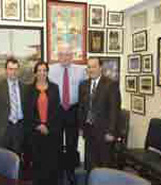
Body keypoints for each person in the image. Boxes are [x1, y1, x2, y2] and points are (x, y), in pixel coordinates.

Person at [48, 45, 86, 185]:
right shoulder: (50, 70)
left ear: (72, 56)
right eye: (62, 54)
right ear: (58, 56)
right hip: (56, 110)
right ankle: (58, 173)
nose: (65, 57)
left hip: (73, 110)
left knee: (72, 143)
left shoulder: (81, 71)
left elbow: (85, 94)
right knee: (56, 143)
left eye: (68, 54)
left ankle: (70, 172)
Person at [78, 57, 121, 172]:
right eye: (89, 67)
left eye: (94, 66)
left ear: (100, 68)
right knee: (90, 164)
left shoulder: (111, 84)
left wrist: (111, 132)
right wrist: (81, 127)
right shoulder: (83, 85)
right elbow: (82, 108)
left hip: (104, 133)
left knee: (104, 165)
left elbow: (114, 110)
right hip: (89, 131)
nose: (91, 69)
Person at [25, 61, 61, 185]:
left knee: (51, 164)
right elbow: (27, 112)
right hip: (35, 132)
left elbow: (57, 111)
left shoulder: (54, 88)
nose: (42, 73)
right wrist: (39, 125)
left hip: (51, 132)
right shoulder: (28, 89)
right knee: (37, 164)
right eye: (39, 70)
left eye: (44, 70)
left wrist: (47, 126)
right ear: (35, 73)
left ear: (47, 72)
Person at [0, 57, 25, 156]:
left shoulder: (25, 87)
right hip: (3, 129)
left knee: (17, 159)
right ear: (6, 70)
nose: (13, 72)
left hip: (19, 129)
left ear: (18, 71)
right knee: (2, 159)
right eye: (10, 69)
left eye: (16, 69)